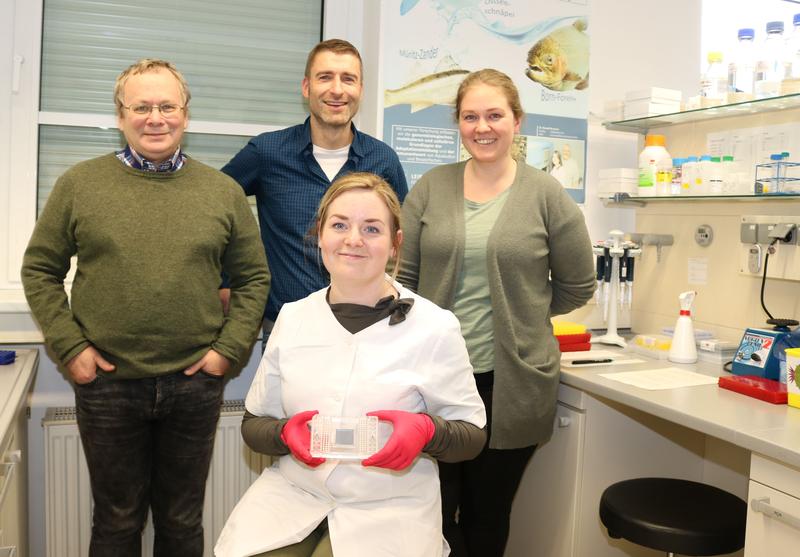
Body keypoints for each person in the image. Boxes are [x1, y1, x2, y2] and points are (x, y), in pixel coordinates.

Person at [21, 59, 269, 556]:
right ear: (120, 115)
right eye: (141, 107)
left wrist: (228, 350)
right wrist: (71, 348)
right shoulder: (79, 184)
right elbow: (39, 270)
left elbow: (254, 277)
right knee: (116, 524)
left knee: (181, 524)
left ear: (185, 113)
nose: (155, 117)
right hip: (109, 384)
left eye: (166, 106)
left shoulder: (221, 193)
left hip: (193, 385)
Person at [214, 172, 486, 557]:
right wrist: (284, 434)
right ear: (320, 235)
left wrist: (426, 431)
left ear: (395, 245)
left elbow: (472, 436)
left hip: (389, 508)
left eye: (372, 228)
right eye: (339, 225)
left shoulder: (435, 326)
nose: (353, 239)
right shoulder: (293, 317)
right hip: (295, 496)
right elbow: (254, 424)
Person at [398, 69, 596, 557]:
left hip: (510, 384)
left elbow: (577, 284)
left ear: (517, 121)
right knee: (433, 511)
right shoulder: (431, 186)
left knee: (488, 515)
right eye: (470, 116)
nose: (482, 127)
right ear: (458, 124)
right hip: (434, 379)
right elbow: (402, 278)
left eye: (494, 115)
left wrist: (525, 313)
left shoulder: (546, 194)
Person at [221, 39, 408, 341]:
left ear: (360, 90)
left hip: (368, 328)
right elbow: (214, 209)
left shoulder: (383, 160)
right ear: (307, 87)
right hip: (287, 327)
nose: (337, 89)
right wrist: (226, 279)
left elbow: (403, 239)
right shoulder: (267, 152)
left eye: (348, 79)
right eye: (325, 77)